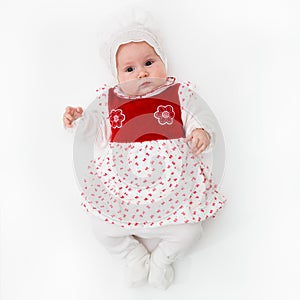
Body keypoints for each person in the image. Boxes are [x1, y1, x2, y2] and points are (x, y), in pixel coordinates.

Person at [63, 21, 226, 290]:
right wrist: (79, 120)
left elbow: (201, 117)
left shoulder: (178, 94)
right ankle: (131, 255)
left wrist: (201, 132)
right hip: (122, 190)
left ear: (163, 61)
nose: (141, 74)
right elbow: (94, 129)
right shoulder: (111, 100)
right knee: (102, 229)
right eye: (130, 69)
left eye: (149, 62)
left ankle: (162, 260)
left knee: (191, 232)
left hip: (172, 193)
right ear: (116, 76)